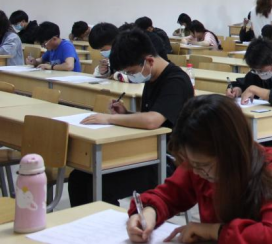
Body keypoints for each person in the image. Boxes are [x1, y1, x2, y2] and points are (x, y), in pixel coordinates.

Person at [127, 95, 272, 245]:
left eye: (203, 166)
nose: (196, 172)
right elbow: (168, 196)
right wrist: (149, 213)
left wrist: (213, 231)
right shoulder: (201, 163)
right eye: (192, 164)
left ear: (230, 151)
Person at [71, 29, 194, 206]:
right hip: (148, 151)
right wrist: (126, 114)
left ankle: (107, 223)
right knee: (80, 177)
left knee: (95, 184)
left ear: (149, 61)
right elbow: (157, 117)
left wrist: (109, 119)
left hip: (169, 161)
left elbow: (153, 121)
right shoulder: (152, 77)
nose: (130, 76)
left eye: (130, 72)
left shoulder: (176, 81)